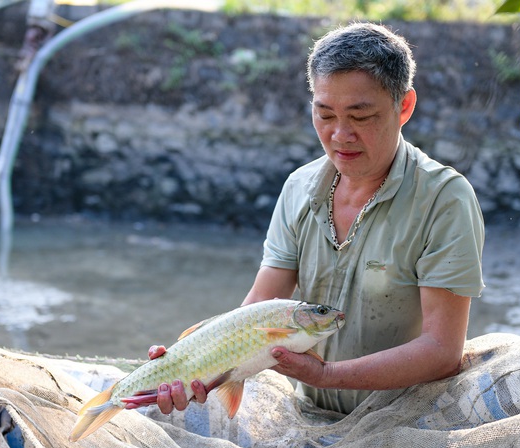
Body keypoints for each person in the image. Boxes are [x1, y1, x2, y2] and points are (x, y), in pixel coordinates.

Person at [148, 21, 485, 416]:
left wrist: (326, 374)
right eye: (325, 114)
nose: (340, 135)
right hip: (307, 411)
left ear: (404, 106)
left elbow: (442, 351)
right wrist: (189, 361)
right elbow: (258, 306)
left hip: (406, 415)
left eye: (361, 116)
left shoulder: (445, 199)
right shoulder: (299, 187)